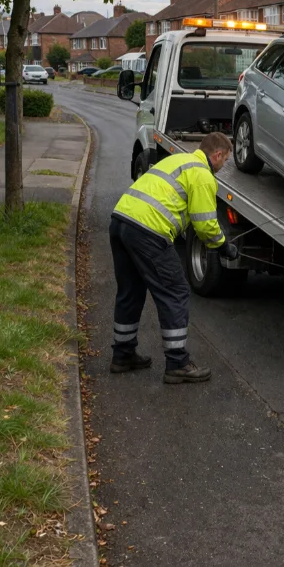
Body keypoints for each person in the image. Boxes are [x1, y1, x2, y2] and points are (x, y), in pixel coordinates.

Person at [108, 132, 239, 384]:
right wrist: (224, 246)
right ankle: (177, 363)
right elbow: (205, 225)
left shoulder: (177, 160)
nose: (223, 166)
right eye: (225, 160)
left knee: (130, 290)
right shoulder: (202, 174)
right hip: (148, 230)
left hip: (120, 220)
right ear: (217, 154)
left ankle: (122, 355)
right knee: (175, 291)